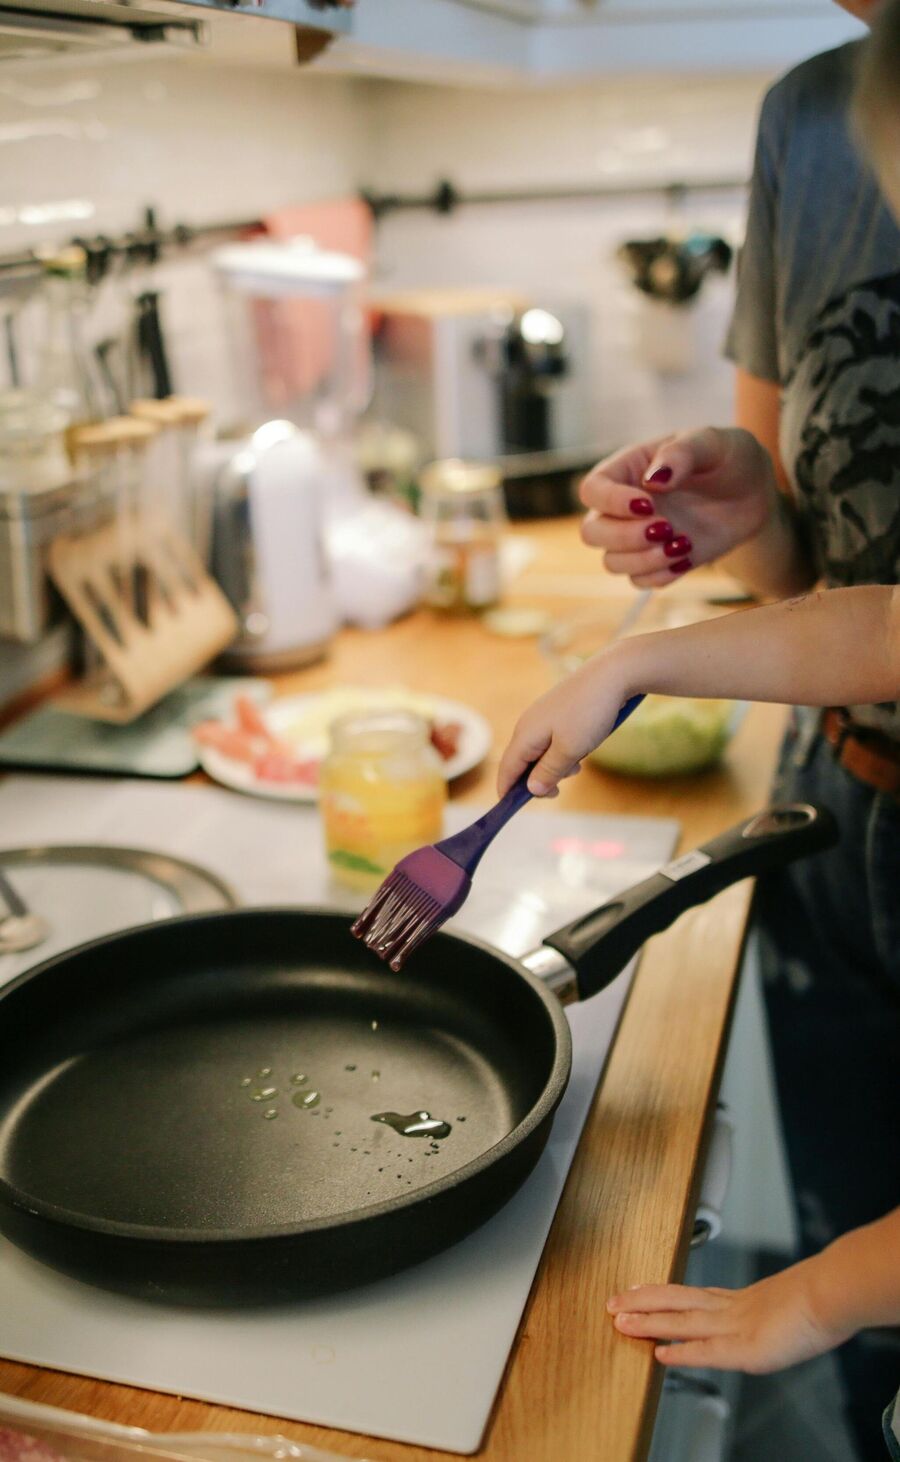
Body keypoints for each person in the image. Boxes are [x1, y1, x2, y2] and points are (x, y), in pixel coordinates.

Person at [503, 4, 900, 1456]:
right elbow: (858, 606)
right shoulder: (819, 117)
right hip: (838, 810)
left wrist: (819, 1297)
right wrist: (737, 526)